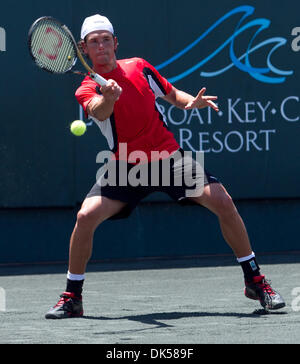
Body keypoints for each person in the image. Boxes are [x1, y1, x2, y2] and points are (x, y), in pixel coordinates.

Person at [45, 14, 285, 319]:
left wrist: (191, 103)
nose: (102, 45)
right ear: (84, 48)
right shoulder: (87, 88)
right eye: (95, 42)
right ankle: (72, 297)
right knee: (85, 215)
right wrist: (109, 98)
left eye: (106, 39)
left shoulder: (139, 67)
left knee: (223, 201)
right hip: (126, 168)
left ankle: (255, 281)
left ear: (115, 43)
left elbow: (172, 94)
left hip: (169, 159)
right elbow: (100, 112)